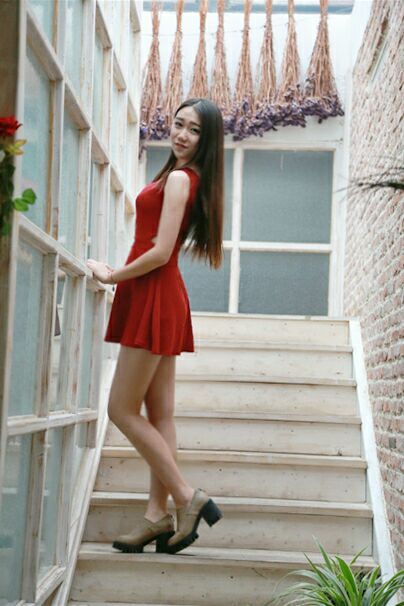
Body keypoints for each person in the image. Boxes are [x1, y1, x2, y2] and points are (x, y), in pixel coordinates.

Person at [86, 98, 225, 555]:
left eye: (194, 130)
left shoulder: (182, 179)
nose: (181, 135)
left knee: (120, 409)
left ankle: (186, 497)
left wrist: (111, 275)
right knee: (160, 414)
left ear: (207, 140)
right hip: (159, 294)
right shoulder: (181, 175)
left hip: (153, 293)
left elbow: (161, 252)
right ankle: (155, 517)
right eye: (178, 124)